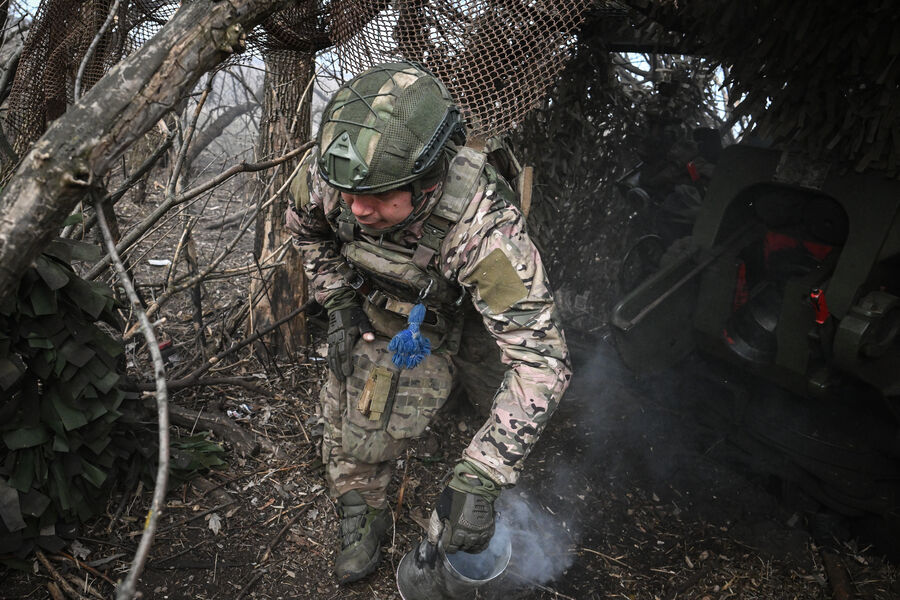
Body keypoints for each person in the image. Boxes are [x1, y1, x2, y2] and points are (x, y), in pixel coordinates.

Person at [285, 61, 571, 584]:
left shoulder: (484, 228)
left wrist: (484, 472)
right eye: (350, 196)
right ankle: (364, 509)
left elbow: (541, 361)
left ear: (426, 182)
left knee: (504, 406)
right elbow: (308, 234)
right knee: (364, 419)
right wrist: (339, 301)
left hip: (478, 317)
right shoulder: (339, 172)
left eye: (377, 198)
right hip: (395, 312)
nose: (357, 209)